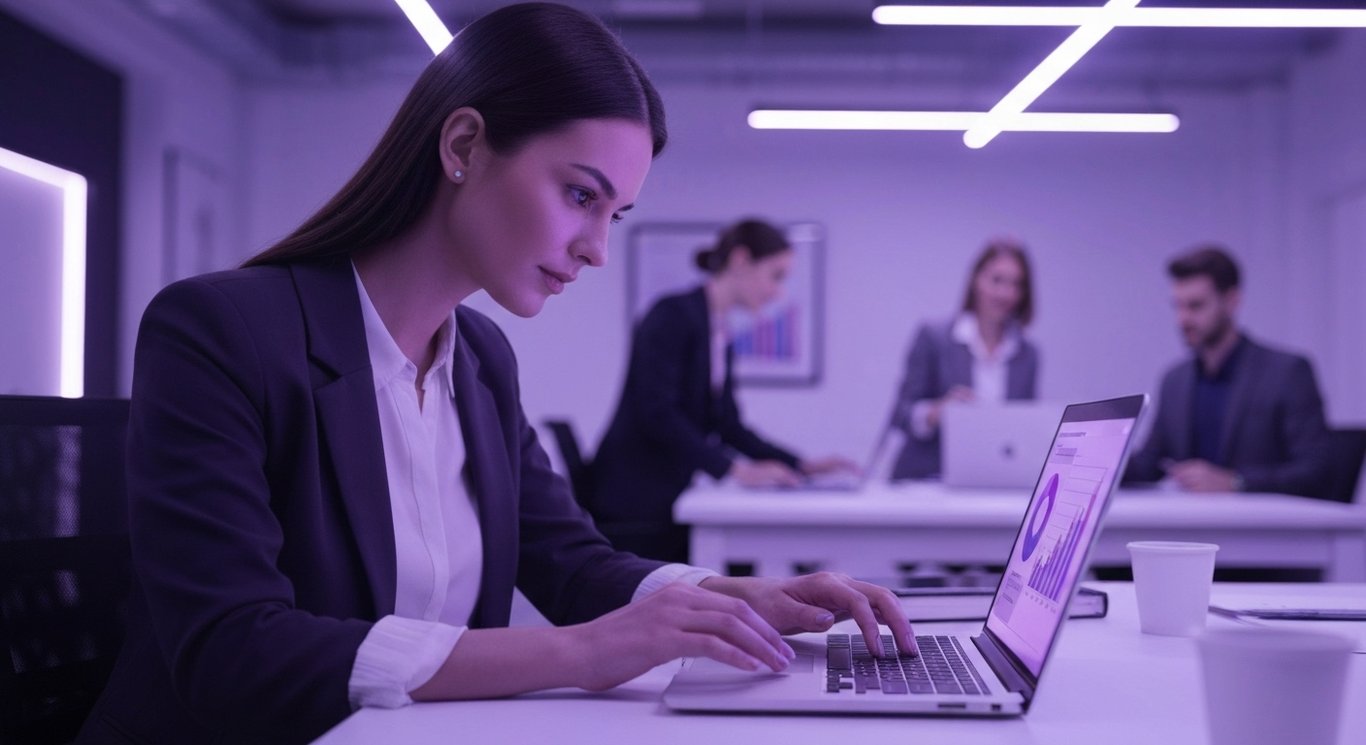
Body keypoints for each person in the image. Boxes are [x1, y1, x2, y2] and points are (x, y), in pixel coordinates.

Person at [76, 6, 914, 744]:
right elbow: (234, 650)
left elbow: (572, 563)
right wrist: (580, 652)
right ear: (465, 145)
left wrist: (734, 598)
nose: (595, 248)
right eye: (580, 196)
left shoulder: (479, 357)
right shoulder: (219, 331)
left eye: (614, 214)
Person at [590, 219, 857, 564]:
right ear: (741, 260)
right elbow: (657, 412)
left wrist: (801, 465)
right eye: (776, 276)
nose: (778, 292)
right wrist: (735, 471)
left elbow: (728, 424)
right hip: (635, 498)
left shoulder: (718, 332)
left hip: (670, 494)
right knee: (736, 563)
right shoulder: (672, 315)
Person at [1124, 245, 1331, 497]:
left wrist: (1236, 481)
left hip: (1266, 528)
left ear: (1231, 301)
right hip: (1191, 522)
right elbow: (1149, 464)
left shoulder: (1287, 372)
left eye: (1196, 306)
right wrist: (1095, 464)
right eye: (1178, 306)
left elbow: (1318, 471)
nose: (1183, 319)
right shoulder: (1175, 380)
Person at [887, 238, 1040, 480]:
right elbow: (900, 415)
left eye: (1017, 285)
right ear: (976, 280)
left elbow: (1024, 427)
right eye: (997, 280)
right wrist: (936, 412)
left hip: (993, 481)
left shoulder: (1026, 354)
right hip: (928, 481)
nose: (1006, 293)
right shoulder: (934, 338)